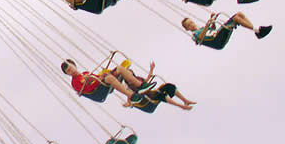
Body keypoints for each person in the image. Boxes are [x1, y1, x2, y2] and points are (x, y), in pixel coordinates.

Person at [61, 59, 196, 110]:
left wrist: (100, 76)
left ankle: (139, 86)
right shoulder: (75, 82)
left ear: (74, 64)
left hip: (104, 82)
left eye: (70, 66)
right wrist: (100, 78)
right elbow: (89, 87)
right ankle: (132, 95)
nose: (71, 70)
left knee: (122, 69)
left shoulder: (85, 73)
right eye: (68, 70)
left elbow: (97, 78)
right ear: (67, 74)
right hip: (98, 90)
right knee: (160, 94)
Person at [182, 13, 273, 43]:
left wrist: (213, 20)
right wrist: (207, 25)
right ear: (187, 29)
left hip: (217, 33)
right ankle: (258, 31)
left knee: (239, 14)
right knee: (236, 19)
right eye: (189, 25)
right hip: (216, 39)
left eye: (191, 22)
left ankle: (256, 30)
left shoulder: (202, 28)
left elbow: (212, 29)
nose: (192, 25)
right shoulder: (195, 35)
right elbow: (201, 38)